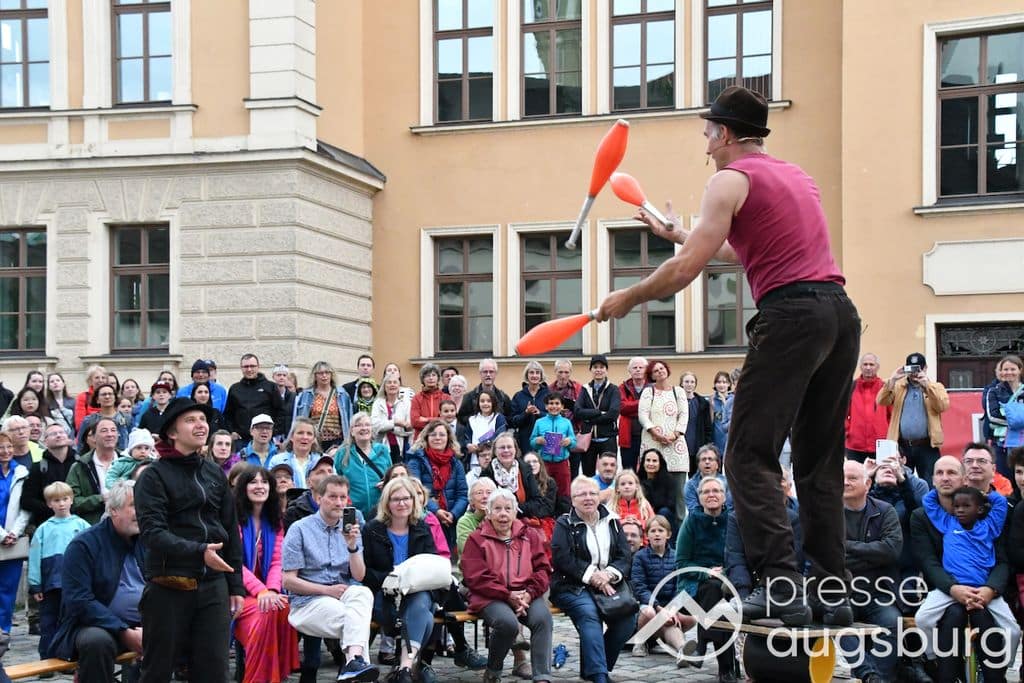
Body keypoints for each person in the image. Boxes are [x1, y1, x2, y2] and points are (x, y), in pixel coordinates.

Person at [596, 86, 860, 625]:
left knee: (745, 455)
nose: (705, 145)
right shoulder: (795, 177)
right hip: (839, 314)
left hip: (790, 316)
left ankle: (781, 586)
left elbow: (686, 271)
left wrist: (628, 298)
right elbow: (740, 248)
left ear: (724, 133)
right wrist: (680, 233)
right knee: (818, 461)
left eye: (707, 134)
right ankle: (833, 593)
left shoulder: (729, 179)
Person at [134, 397, 245, 683]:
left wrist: (235, 586)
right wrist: (199, 551)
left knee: (214, 672)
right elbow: (152, 533)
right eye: (190, 420)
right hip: (169, 584)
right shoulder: (153, 476)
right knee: (158, 672)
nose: (200, 425)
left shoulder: (213, 473)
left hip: (213, 586)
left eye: (203, 419)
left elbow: (230, 530)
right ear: (172, 432)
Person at [282, 474, 380, 683]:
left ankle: (354, 662)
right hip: (307, 603)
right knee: (356, 621)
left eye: (343, 497)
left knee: (362, 592)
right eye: (333, 497)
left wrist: (352, 546)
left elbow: (359, 575)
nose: (339, 502)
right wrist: (326, 590)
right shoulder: (299, 529)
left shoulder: (351, 529)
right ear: (319, 498)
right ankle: (355, 663)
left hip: (342, 595)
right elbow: (288, 581)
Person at [49, 480, 145, 681]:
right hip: (97, 625)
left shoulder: (148, 539)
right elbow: (79, 600)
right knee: (96, 642)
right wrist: (123, 630)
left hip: (143, 623)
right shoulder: (84, 545)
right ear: (113, 510)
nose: (141, 511)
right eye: (134, 505)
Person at [462, 488, 554, 683]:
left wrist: (529, 593)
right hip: (490, 596)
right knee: (507, 624)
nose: (503, 514)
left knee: (542, 618)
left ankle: (542, 676)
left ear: (515, 512)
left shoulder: (530, 535)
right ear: (488, 513)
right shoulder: (476, 539)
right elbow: (476, 577)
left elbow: (542, 569)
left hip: (526, 593)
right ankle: (493, 670)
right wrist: (507, 595)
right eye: (497, 509)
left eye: (507, 509)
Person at [551, 476, 635, 683]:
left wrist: (608, 575)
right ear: (573, 500)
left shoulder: (612, 520)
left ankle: (594, 667)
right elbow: (563, 558)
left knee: (627, 619)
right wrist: (593, 576)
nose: (588, 498)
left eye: (592, 493)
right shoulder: (564, 523)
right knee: (589, 615)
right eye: (582, 494)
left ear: (599, 496)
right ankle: (599, 676)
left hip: (609, 582)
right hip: (572, 585)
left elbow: (625, 556)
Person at [361, 477, 440, 683]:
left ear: (414, 501)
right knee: (426, 617)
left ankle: (404, 667)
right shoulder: (371, 529)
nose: (402, 503)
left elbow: (430, 564)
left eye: (406, 498)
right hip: (383, 592)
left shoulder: (422, 528)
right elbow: (365, 572)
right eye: (396, 499)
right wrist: (392, 578)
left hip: (416, 591)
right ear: (387, 503)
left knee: (421, 602)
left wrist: (411, 580)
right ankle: (410, 666)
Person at [232, 467, 300, 683]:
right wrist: (261, 591)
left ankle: (275, 675)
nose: (259, 486)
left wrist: (271, 590)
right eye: (253, 482)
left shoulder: (275, 521)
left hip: (264, 591)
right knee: (266, 611)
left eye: (264, 482)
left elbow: (278, 561)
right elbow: (234, 563)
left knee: (282, 606)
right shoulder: (232, 520)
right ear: (243, 488)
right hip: (235, 592)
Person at [837, 461, 902, 683]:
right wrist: (872, 555)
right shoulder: (830, 514)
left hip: (878, 592)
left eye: (852, 478)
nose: (845, 482)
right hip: (842, 592)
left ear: (867, 484)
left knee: (893, 623)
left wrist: (848, 546)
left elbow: (891, 551)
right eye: (842, 478)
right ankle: (870, 675)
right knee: (839, 624)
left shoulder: (885, 511)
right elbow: (829, 555)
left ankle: (876, 677)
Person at [674, 477, 737, 682]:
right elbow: (681, 563)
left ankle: (703, 643)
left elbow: (739, 557)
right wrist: (706, 573)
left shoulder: (733, 520)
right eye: (706, 492)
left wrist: (723, 574)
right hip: (693, 586)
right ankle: (726, 669)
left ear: (724, 496)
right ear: (699, 497)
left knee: (715, 592)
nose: (711, 495)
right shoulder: (691, 521)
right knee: (713, 592)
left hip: (728, 582)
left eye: (716, 491)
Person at [27, 481, 90, 659]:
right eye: (56, 500)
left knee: (73, 621)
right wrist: (35, 585)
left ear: (72, 500)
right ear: (49, 504)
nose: (61, 504)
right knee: (49, 621)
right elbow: (34, 557)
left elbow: (92, 554)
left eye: (65, 499)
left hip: (76, 584)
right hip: (51, 584)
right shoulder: (44, 529)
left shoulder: (83, 526)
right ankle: (47, 658)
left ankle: (69, 657)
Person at [630, 515, 697, 664]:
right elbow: (640, 588)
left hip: (668, 606)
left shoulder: (676, 556)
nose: (657, 534)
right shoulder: (640, 557)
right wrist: (659, 608)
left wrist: (672, 609)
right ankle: (640, 642)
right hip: (648, 606)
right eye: (653, 531)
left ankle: (682, 650)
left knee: (691, 618)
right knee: (649, 612)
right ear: (647, 535)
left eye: (661, 530)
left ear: (668, 534)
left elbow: (680, 586)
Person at [877, 352, 949, 485]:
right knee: (901, 482)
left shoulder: (936, 387)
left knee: (930, 483)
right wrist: (892, 380)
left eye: (918, 369)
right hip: (902, 445)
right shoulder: (898, 387)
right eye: (911, 369)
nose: (914, 373)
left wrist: (927, 386)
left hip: (927, 445)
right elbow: (881, 401)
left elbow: (942, 406)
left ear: (925, 368)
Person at [405, 419, 468, 551]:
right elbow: (414, 491)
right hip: (425, 519)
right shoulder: (416, 461)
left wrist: (453, 514)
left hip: (451, 521)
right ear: (426, 438)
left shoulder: (456, 463)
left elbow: (462, 494)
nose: (437, 438)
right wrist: (436, 511)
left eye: (442, 434)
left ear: (448, 438)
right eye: (433, 434)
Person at [638, 360, 689, 521]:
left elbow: (684, 415)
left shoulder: (678, 391)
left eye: (662, 368)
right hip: (653, 444)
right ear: (651, 376)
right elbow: (643, 415)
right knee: (651, 490)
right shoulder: (648, 392)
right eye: (656, 370)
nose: (660, 371)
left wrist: (675, 434)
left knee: (679, 493)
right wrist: (656, 433)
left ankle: (679, 529)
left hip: (676, 446)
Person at [22, 422, 77, 529]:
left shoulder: (80, 463)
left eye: (61, 432)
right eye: (53, 434)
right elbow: (27, 500)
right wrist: (54, 508)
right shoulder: (38, 468)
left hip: (78, 521)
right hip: (49, 524)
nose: (58, 435)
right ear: (45, 441)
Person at [335, 412, 391, 517]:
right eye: (359, 425)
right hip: (353, 513)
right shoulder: (342, 453)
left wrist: (387, 483)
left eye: (367, 425)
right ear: (352, 431)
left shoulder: (383, 451)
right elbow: (335, 481)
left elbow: (392, 477)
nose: (364, 428)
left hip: (381, 512)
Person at [0, 432, 29, 635]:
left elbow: (25, 507)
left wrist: (14, 532)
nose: (6, 451)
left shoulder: (21, 472)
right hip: (2, 535)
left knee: (8, 589)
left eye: (9, 446)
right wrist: (2, 535)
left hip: (12, 540)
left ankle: (4, 633)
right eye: (1, 447)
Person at [66, 417, 120, 525]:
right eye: (104, 431)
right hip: (92, 525)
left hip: (125, 525)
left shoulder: (129, 462)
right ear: (94, 437)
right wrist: (101, 499)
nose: (110, 434)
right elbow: (71, 501)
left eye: (113, 430)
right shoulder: (79, 466)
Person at [574, 355, 621, 474]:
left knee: (608, 473)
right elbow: (578, 411)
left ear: (606, 370)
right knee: (588, 474)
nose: (598, 370)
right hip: (588, 440)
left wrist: (589, 419)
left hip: (608, 439)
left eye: (601, 367)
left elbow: (613, 414)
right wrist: (599, 412)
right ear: (591, 369)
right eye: (595, 367)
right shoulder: (585, 389)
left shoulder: (613, 389)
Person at [293, 361, 354, 451]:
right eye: (320, 373)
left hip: (337, 442)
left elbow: (349, 419)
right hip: (314, 441)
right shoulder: (306, 395)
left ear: (331, 375)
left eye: (327, 372)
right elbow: (300, 419)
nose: (324, 376)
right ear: (315, 376)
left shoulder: (342, 394)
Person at [226, 354, 286, 444]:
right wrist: (232, 431)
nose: (249, 369)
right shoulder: (234, 389)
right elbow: (228, 415)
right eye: (246, 366)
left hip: (265, 440)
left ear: (258, 367)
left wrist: (273, 432)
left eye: (252, 366)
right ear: (241, 368)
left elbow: (281, 412)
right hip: (241, 441)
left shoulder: (270, 387)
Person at [845, 353, 892, 463]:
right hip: (855, 446)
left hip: (881, 445)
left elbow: (892, 415)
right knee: (856, 473)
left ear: (877, 367)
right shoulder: (851, 387)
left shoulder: (885, 388)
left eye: (871, 364)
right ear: (860, 367)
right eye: (865, 364)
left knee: (880, 474)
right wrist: (848, 432)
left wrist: (887, 434)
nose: (868, 367)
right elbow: (843, 414)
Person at [529, 394, 575, 498]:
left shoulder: (566, 422)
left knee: (563, 492)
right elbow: (532, 442)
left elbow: (574, 441)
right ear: (546, 406)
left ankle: (563, 508)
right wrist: (537, 441)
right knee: (544, 491)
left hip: (562, 463)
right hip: (544, 464)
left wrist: (569, 441)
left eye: (557, 403)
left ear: (562, 406)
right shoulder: (539, 422)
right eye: (551, 403)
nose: (554, 406)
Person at [985, 354, 1024, 480]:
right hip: (1001, 444)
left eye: (1013, 369)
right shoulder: (994, 391)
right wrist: (1016, 422)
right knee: (1004, 480)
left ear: (1020, 370)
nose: (1009, 372)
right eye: (1006, 369)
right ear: (1000, 372)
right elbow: (992, 416)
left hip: (1022, 441)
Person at [460, 388, 507, 472]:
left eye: (488, 401)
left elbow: (499, 437)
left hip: (493, 460)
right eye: (482, 401)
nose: (485, 403)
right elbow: (466, 438)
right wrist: (468, 445)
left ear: (493, 402)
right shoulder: (472, 419)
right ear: (478, 403)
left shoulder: (499, 418)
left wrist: (480, 447)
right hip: (475, 461)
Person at [268, 418, 322, 490]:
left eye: (309, 434)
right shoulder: (277, 461)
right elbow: (270, 486)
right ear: (291, 437)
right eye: (300, 433)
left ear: (314, 439)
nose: (305, 437)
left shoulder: (323, 461)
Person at [509, 361, 550, 456]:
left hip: (545, 440)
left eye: (537, 373)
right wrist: (526, 413)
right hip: (524, 442)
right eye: (531, 372)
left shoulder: (549, 394)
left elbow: (555, 417)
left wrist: (540, 413)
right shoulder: (518, 396)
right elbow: (513, 421)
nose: (534, 375)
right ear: (527, 375)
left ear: (541, 376)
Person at [371, 372, 413, 462]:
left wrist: (387, 426)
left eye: (395, 382)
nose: (392, 385)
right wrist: (395, 423)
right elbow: (375, 425)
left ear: (399, 386)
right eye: (389, 382)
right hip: (381, 445)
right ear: (384, 386)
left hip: (400, 446)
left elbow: (409, 428)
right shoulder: (378, 403)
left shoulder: (406, 403)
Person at [617, 358, 649, 476]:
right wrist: (643, 404)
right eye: (635, 368)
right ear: (629, 371)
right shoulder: (622, 387)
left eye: (641, 367)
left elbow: (653, 409)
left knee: (648, 472)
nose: (638, 370)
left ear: (646, 370)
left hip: (649, 436)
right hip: (628, 437)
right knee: (628, 472)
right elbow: (622, 408)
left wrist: (631, 407)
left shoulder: (653, 387)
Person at [77, 383, 130, 452]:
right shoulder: (89, 420)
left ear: (115, 398)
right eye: (103, 394)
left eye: (110, 394)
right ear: (97, 400)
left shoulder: (126, 418)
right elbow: (81, 444)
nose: (107, 397)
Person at [458, 359, 513, 424]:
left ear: (495, 374)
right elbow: (461, 418)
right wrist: (476, 421)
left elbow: (510, 418)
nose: (488, 375)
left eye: (491, 372)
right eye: (485, 372)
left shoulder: (503, 397)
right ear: (480, 374)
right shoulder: (470, 397)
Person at [678, 372, 712, 473]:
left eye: (692, 382)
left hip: (697, 446)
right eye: (687, 381)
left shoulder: (703, 403)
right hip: (680, 446)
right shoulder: (675, 402)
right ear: (681, 383)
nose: (689, 384)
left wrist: (706, 446)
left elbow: (707, 427)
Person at [683, 444, 731, 514]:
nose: (707, 462)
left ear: (717, 464)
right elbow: (693, 510)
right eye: (703, 459)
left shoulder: (727, 483)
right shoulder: (690, 485)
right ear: (698, 464)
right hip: (699, 519)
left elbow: (729, 508)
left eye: (710, 459)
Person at [456, 476, 496, 555]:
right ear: (471, 500)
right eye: (479, 493)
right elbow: (468, 551)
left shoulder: (502, 519)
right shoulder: (465, 522)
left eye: (489, 492)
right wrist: (487, 521)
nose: (485, 496)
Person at [637, 449, 675, 525]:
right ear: (643, 463)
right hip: (643, 513)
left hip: (661, 516)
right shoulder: (637, 480)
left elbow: (670, 504)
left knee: (664, 511)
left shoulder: (668, 479)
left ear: (660, 463)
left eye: (654, 461)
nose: (651, 464)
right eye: (648, 460)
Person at [410, 363, 445, 440]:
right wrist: (437, 419)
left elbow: (446, 420)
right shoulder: (416, 398)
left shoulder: (446, 397)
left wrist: (425, 419)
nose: (431, 378)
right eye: (427, 376)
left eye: (433, 375)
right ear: (423, 379)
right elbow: (415, 422)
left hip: (440, 439)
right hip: (421, 439)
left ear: (438, 378)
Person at [709, 371, 732, 456]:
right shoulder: (711, 400)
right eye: (719, 382)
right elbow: (710, 422)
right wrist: (711, 407)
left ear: (729, 384)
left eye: (724, 382)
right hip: (716, 441)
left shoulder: (733, 399)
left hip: (729, 441)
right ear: (715, 384)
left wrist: (725, 403)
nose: (721, 385)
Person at [271, 364, 296, 438]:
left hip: (288, 436)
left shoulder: (294, 397)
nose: (281, 377)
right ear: (273, 377)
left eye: (284, 375)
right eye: (279, 375)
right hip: (273, 436)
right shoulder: (268, 396)